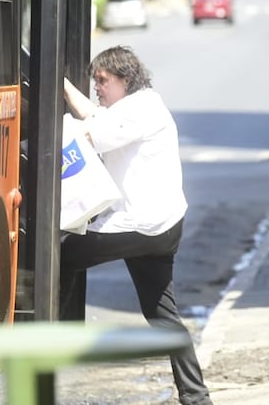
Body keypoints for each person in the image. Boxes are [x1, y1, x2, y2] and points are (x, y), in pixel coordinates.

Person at [60, 46, 214, 405]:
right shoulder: (136, 105)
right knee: (161, 313)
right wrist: (62, 85)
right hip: (161, 226)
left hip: (141, 224)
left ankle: (56, 339)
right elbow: (96, 115)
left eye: (103, 80)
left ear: (125, 80)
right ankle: (196, 396)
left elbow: (90, 134)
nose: (98, 86)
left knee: (60, 253)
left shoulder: (139, 110)